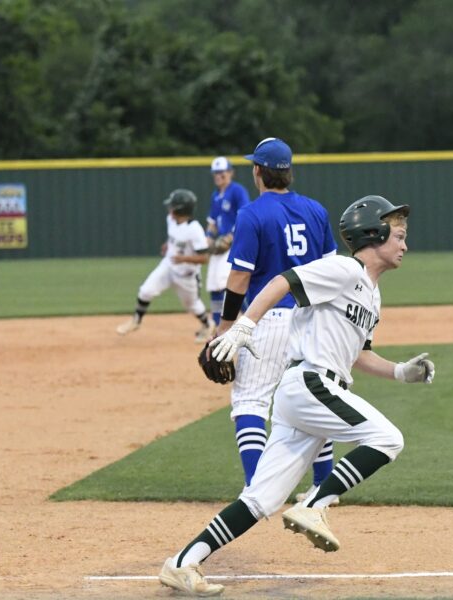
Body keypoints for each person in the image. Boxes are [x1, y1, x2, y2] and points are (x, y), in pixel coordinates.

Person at [158, 195, 435, 597]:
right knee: (388, 438)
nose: (404, 245)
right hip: (310, 384)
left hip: (307, 395)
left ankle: (183, 562)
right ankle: (314, 504)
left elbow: (358, 354)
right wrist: (243, 326)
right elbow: (281, 281)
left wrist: (399, 372)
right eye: (398, 236)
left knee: (262, 498)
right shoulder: (344, 269)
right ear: (373, 234)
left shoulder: (372, 295)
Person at [215, 137, 337, 491]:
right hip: (312, 320)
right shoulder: (316, 210)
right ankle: (322, 486)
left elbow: (238, 279)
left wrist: (225, 329)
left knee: (250, 399)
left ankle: (257, 487)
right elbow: (331, 272)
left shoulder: (251, 213)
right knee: (310, 400)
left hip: (267, 318)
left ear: (258, 172)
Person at [116, 189, 213, 342]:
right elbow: (174, 238)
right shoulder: (171, 219)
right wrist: (168, 244)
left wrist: (183, 259)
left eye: (173, 206)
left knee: (193, 306)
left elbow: (204, 258)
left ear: (181, 209)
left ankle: (207, 325)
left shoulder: (194, 230)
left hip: (186, 276)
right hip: (168, 266)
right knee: (145, 291)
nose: (170, 209)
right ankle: (136, 320)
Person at [203, 157, 250, 336]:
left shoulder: (237, 191)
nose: (219, 176)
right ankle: (217, 326)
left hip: (233, 244)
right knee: (214, 285)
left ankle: (249, 318)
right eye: (216, 173)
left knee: (229, 283)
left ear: (230, 172)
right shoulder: (215, 195)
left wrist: (231, 236)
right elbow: (212, 222)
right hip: (219, 246)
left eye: (222, 172)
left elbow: (244, 214)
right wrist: (208, 238)